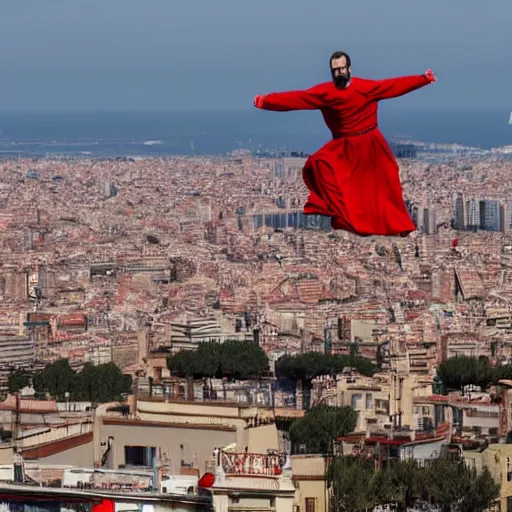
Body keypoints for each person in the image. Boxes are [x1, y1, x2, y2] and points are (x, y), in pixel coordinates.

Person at [253, 51, 436, 237]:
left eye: (342, 68)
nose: (339, 72)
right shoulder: (326, 92)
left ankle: (399, 225)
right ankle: (344, 219)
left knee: (388, 180)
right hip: (344, 146)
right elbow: (297, 99)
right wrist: (266, 101)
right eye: (335, 70)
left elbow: (394, 86)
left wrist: (423, 79)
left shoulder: (366, 87)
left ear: (349, 68)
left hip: (372, 144)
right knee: (321, 166)